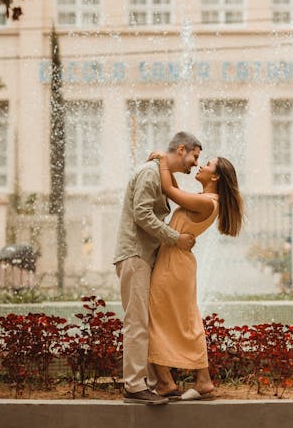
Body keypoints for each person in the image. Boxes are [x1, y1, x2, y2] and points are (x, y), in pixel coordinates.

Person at [113, 131, 202, 405]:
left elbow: (173, 194)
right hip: (135, 255)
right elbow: (142, 214)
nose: (196, 164)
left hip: (144, 257)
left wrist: (164, 160)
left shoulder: (158, 173)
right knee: (137, 321)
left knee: (147, 321)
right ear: (182, 149)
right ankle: (134, 385)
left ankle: (152, 384)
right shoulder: (149, 173)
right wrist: (177, 239)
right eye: (194, 157)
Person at [147, 152, 244, 401]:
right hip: (178, 263)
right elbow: (176, 191)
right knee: (184, 320)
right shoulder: (206, 200)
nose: (201, 165)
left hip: (174, 265)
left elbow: (168, 190)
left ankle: (170, 382)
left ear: (216, 176)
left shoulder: (208, 202)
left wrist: (163, 162)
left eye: (208, 164)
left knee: (155, 318)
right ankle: (200, 380)